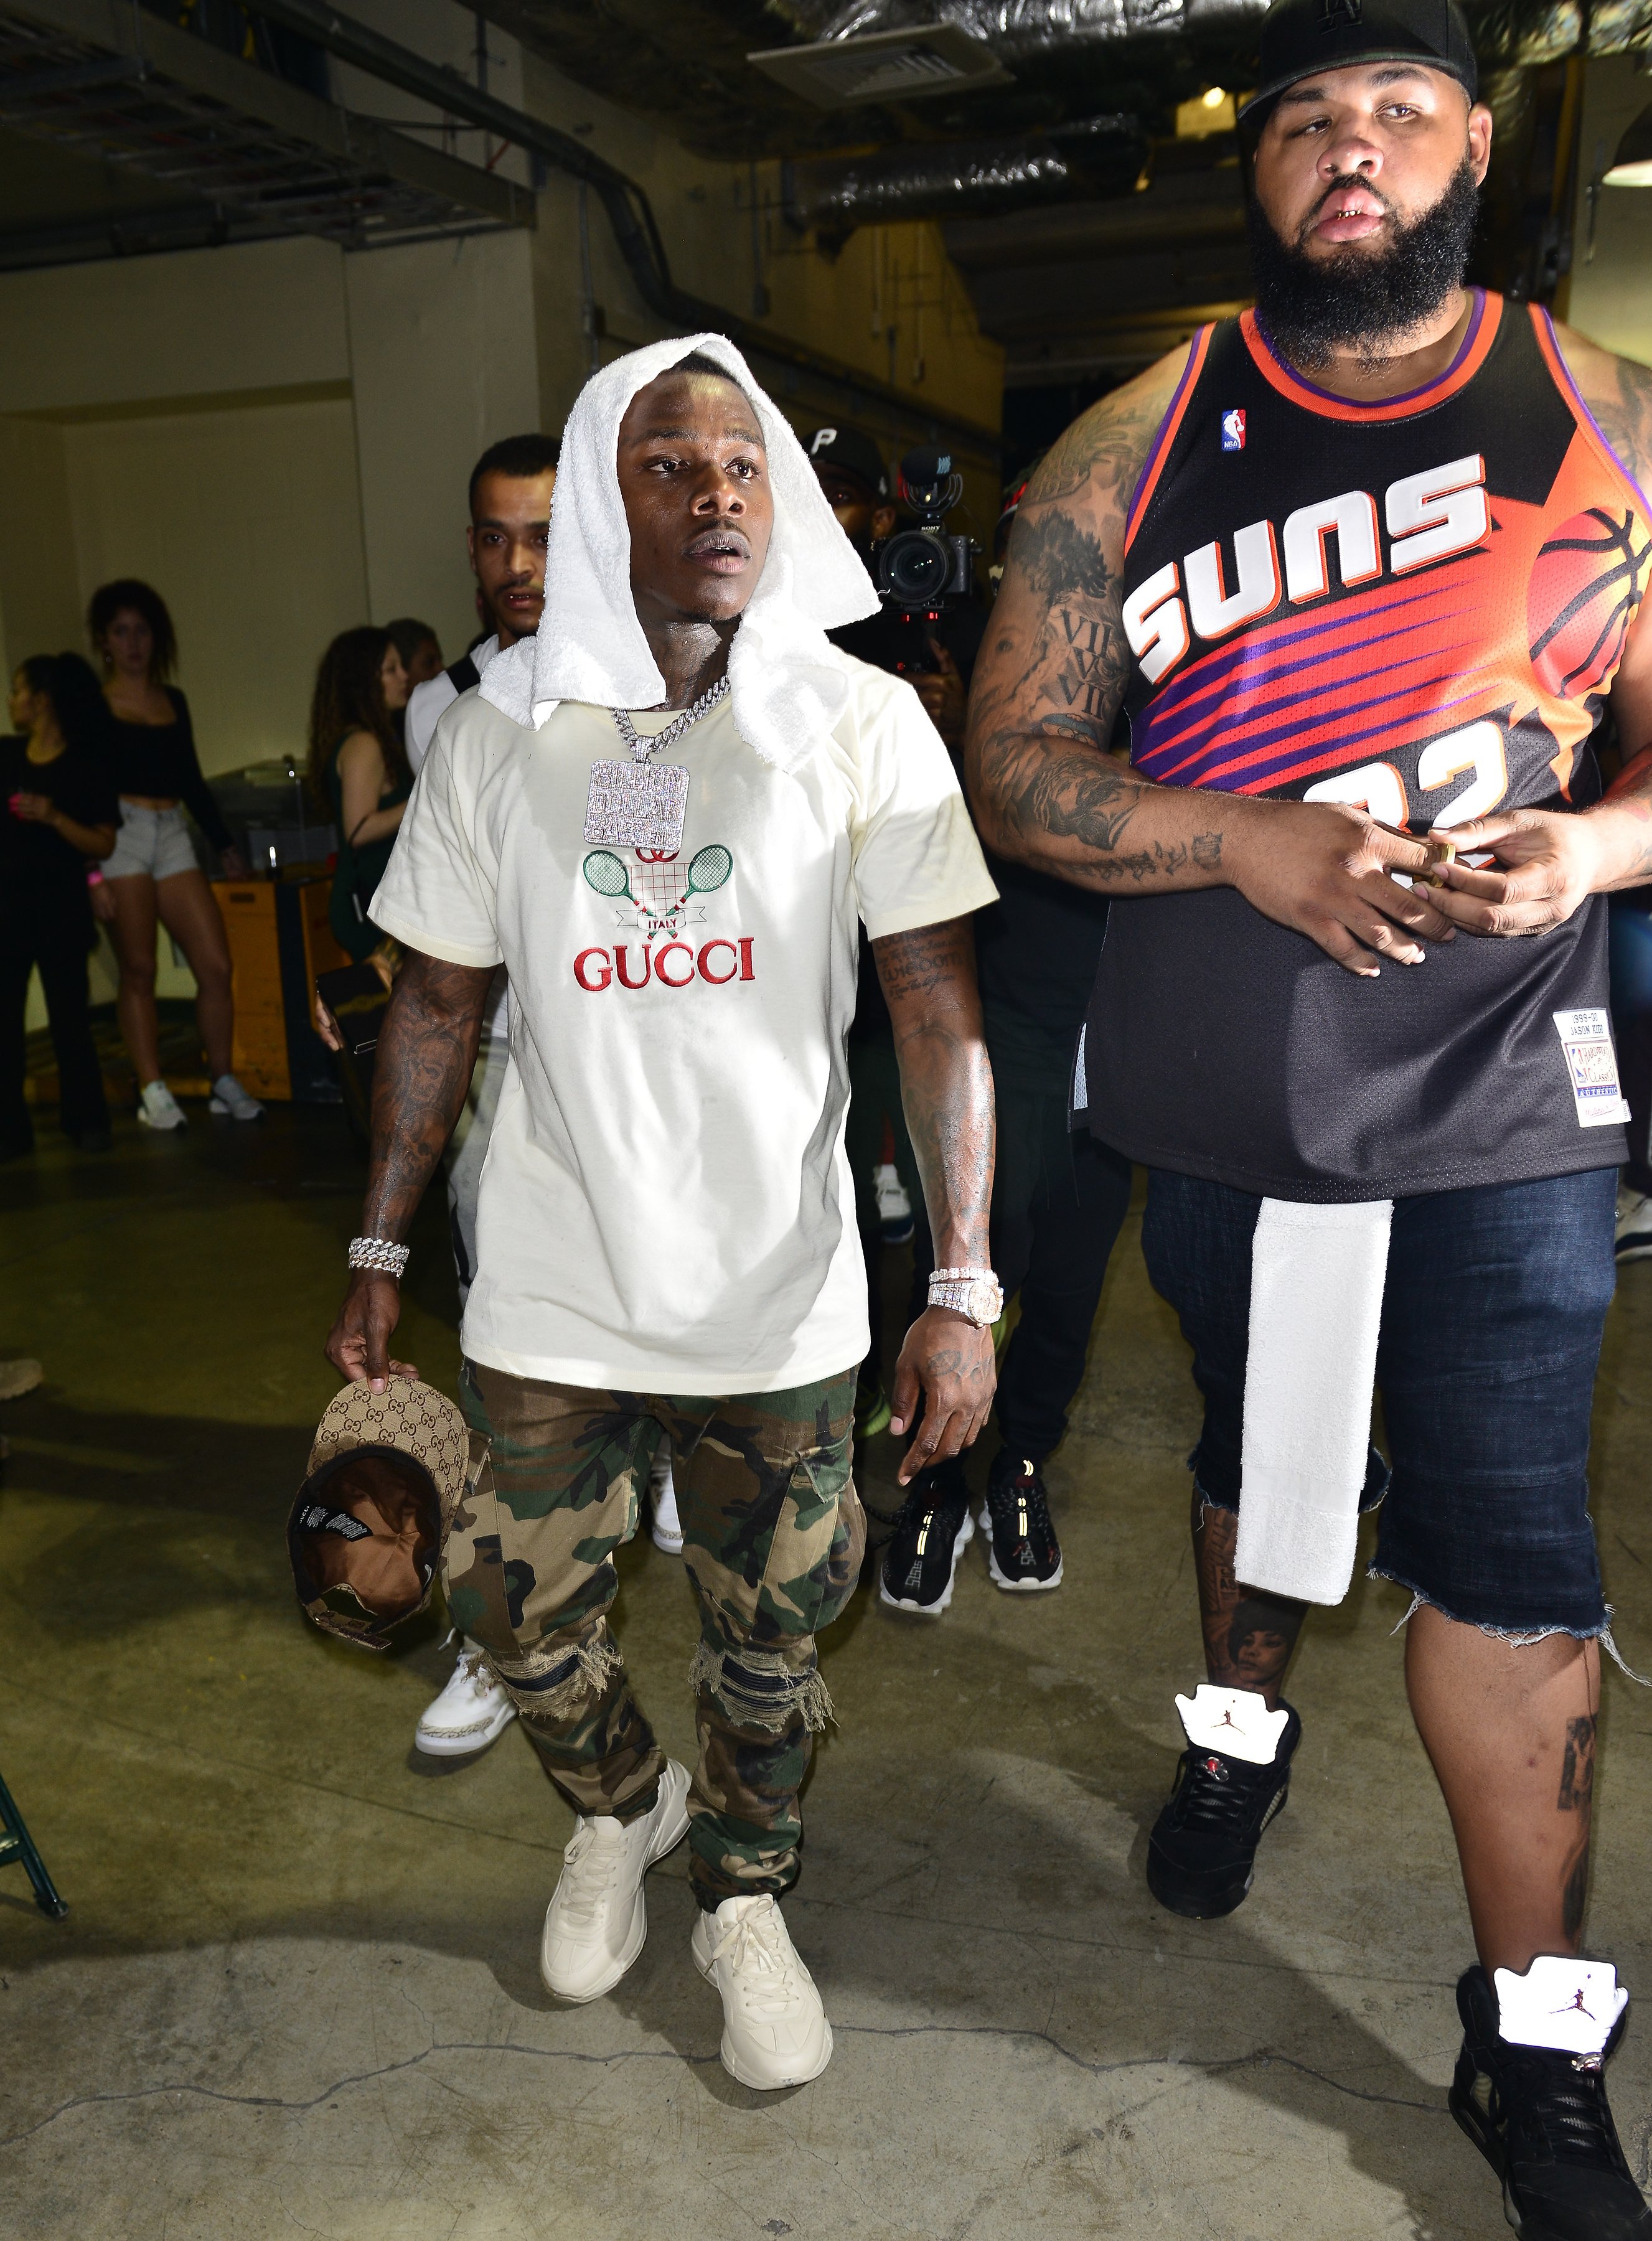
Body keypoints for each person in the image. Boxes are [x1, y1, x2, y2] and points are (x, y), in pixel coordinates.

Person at [969, 0, 1652, 2227]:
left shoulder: (1604, 421)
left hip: (1502, 1084)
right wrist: (1245, 839)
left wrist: (1594, 850)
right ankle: (1236, 1729)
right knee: (1268, 1469)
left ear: (1471, 141)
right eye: (1297, 118)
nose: (1344, 146)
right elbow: (1020, 765)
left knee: (1512, 1555)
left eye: (1391, 107)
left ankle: (1531, 2040)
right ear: (1252, 168)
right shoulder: (1136, 443)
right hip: (1235, 1086)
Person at [322, 336, 999, 2090]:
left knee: (771, 1637)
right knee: (510, 1614)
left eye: (741, 469)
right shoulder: (495, 732)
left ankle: (743, 1898)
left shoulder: (860, 722)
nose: (712, 498)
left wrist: (967, 1281)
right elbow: (434, 1007)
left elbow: (935, 1012)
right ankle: (620, 1809)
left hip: (777, 1299)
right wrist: (382, 1245)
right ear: (601, 502)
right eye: (666, 469)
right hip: (553, 1279)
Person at [400, 431, 561, 1759]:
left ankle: (676, 1470)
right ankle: (494, 1640)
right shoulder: (449, 715)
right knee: (502, 1342)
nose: (518, 565)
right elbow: (440, 949)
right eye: (496, 537)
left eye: (546, 536)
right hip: (505, 1061)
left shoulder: (688, 682)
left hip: (658, 1075)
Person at [92, 579, 261, 1130]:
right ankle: (152, 1088)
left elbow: (190, 778)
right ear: (105, 641)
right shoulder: (92, 705)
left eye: (142, 630)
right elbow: (80, 785)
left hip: (171, 831)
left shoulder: (174, 701)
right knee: (138, 966)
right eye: (122, 631)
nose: (134, 642)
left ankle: (222, 1079)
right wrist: (89, 873)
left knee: (215, 964)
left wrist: (225, 845)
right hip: (118, 833)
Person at [2, 654, 118, 1160]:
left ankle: (86, 1119)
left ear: (42, 700)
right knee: (5, 1019)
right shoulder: (6, 757)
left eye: (18, 691)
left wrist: (52, 817)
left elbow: (102, 842)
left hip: (61, 908)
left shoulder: (83, 765)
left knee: (69, 1016)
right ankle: (10, 1131)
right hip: (8, 908)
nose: (12, 702)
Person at [307, 628, 411, 964]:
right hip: (367, 900)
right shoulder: (364, 744)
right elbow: (359, 830)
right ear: (366, 681)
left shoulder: (370, 738)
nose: (404, 677)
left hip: (375, 895)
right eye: (391, 669)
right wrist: (424, 799)